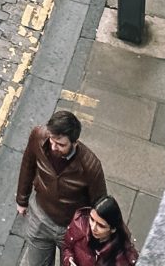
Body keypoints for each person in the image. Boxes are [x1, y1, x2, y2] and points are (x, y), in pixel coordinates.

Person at [14, 108, 108, 266]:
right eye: (52, 140)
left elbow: (99, 204)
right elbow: (28, 165)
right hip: (40, 216)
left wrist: (96, 236)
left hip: (72, 228)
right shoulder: (38, 136)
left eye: (61, 144)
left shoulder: (90, 166)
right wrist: (21, 199)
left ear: (75, 143)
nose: (54, 147)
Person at [61, 195, 138, 266]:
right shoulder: (80, 224)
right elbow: (67, 246)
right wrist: (69, 260)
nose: (93, 227)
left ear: (113, 229)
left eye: (101, 226)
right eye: (91, 219)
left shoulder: (123, 256)